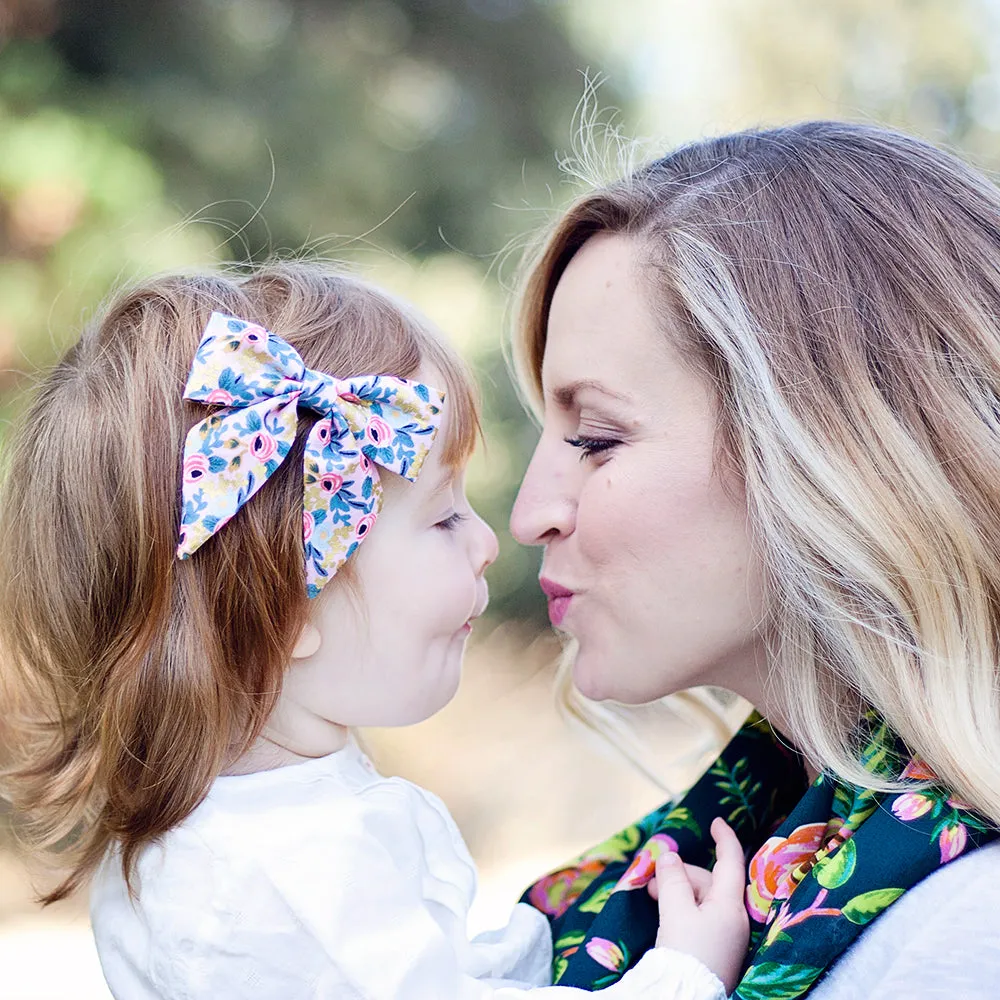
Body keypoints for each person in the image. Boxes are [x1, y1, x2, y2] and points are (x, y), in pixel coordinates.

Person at [0, 262, 749, 999]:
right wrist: (683, 973)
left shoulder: (230, 842)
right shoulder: (302, 872)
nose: (492, 540)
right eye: (445, 515)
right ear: (290, 611)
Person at [509, 120, 1000, 999]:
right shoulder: (757, 852)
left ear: (834, 447)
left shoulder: (961, 937)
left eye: (595, 437)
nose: (529, 515)